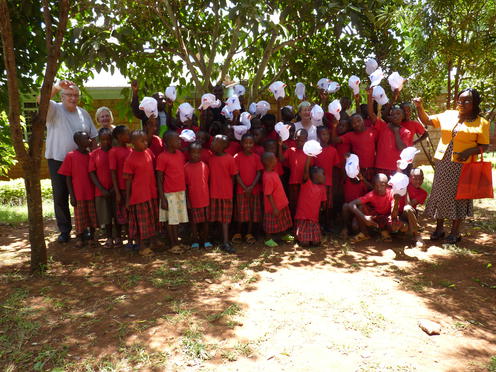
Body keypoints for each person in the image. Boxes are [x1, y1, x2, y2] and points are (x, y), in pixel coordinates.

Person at [414, 88, 490, 244]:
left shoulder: (482, 123)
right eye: (460, 100)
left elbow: (484, 145)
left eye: (467, 100)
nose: (462, 103)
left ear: (475, 103)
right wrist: (419, 106)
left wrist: (469, 151)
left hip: (464, 165)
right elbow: (428, 120)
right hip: (444, 162)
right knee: (441, 194)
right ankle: (439, 228)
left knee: (459, 196)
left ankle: (455, 232)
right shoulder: (449, 114)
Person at [41, 80, 98, 243]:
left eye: (76, 95)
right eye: (69, 95)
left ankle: (84, 228)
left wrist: (93, 156)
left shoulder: (83, 113)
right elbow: (41, 99)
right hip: (57, 159)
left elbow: (93, 136)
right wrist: (58, 86)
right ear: (62, 96)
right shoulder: (54, 109)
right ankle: (65, 230)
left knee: (82, 196)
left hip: (80, 162)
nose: (73, 98)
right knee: (60, 196)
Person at [58, 131, 97, 248]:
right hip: (79, 194)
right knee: (80, 218)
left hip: (91, 193)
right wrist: (72, 195)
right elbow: (68, 178)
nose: (90, 140)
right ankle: (79, 237)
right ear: (78, 142)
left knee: (92, 216)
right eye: (87, 139)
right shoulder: (71, 156)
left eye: (89, 138)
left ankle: (92, 237)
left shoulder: (91, 155)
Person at [123, 130, 159, 256]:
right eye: (142, 141)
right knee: (143, 223)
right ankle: (142, 246)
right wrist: (127, 199)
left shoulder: (148, 152)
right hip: (139, 196)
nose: (145, 143)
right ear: (133, 143)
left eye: (146, 140)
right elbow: (128, 181)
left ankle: (153, 242)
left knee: (152, 219)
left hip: (151, 192)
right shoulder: (130, 159)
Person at [367, 89, 413, 177]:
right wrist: (369, 95)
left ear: (403, 116)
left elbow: (402, 148)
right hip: (380, 167)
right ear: (390, 117)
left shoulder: (406, 132)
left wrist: (396, 132)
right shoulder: (383, 126)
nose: (395, 116)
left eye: (398, 113)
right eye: (393, 114)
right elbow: (371, 114)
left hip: (395, 169)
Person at [156, 131, 188, 254]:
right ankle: (173, 244)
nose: (179, 142)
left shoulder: (180, 154)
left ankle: (177, 242)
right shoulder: (162, 157)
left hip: (180, 191)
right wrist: (162, 197)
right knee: (171, 220)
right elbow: (159, 178)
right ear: (168, 143)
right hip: (169, 193)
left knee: (177, 219)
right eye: (177, 140)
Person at [208, 135, 239, 253]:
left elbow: (233, 176)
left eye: (216, 141)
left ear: (223, 146)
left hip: (226, 193)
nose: (212, 143)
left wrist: (231, 191)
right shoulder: (210, 158)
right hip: (213, 193)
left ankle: (226, 242)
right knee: (213, 217)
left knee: (225, 219)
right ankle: (213, 239)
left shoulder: (230, 159)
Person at [343, 173, 395, 243]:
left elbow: (394, 210)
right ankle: (364, 233)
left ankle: (384, 231)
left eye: (382, 185)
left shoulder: (392, 193)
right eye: (376, 186)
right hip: (376, 218)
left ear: (387, 185)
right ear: (373, 186)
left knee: (393, 225)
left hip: (387, 218)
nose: (379, 188)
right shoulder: (371, 194)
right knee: (361, 207)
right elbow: (351, 204)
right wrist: (364, 217)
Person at [233, 133, 264, 244]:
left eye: (250, 143)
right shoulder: (237, 157)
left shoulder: (256, 157)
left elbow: (259, 173)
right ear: (242, 143)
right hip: (241, 190)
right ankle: (238, 232)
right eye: (246, 142)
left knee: (251, 213)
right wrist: (245, 187)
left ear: (254, 144)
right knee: (241, 213)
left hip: (253, 190)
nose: (248, 145)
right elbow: (236, 174)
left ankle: (249, 233)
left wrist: (251, 187)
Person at [89, 128, 114, 249]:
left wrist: (114, 188)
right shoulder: (94, 154)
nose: (106, 142)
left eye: (108, 139)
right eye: (103, 139)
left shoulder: (114, 152)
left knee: (117, 214)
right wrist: (102, 189)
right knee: (106, 216)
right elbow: (92, 173)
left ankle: (119, 236)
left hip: (115, 190)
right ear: (99, 140)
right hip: (101, 191)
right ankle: (109, 237)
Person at [332, 113, 377, 182]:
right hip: (358, 171)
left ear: (363, 120)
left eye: (359, 121)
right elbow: (334, 140)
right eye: (354, 123)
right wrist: (334, 126)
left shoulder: (372, 131)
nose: (357, 124)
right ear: (351, 126)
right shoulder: (350, 135)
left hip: (373, 169)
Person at [262, 152, 293, 247]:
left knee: (282, 221)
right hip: (273, 207)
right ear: (268, 162)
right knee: (270, 224)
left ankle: (283, 235)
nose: (276, 160)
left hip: (281, 204)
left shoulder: (273, 172)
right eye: (274, 158)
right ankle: (268, 239)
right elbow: (268, 194)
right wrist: (274, 208)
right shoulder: (267, 177)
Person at [294, 157, 327, 247]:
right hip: (303, 218)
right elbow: (306, 171)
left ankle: (307, 237)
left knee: (316, 243)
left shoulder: (323, 188)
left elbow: (323, 203)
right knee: (305, 244)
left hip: (314, 219)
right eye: (323, 174)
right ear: (315, 175)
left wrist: (322, 209)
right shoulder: (307, 183)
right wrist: (309, 156)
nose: (325, 176)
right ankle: (299, 236)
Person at [184, 142, 211, 249]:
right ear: (189, 154)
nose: (196, 155)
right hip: (193, 200)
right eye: (193, 153)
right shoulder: (185, 167)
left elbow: (207, 182)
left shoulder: (205, 166)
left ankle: (205, 240)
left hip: (205, 200)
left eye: (198, 153)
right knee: (194, 223)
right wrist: (187, 201)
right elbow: (185, 186)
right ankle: (195, 240)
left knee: (205, 222)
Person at [109, 125, 132, 248]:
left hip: (131, 188)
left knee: (131, 215)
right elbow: (113, 172)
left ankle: (132, 238)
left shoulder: (130, 150)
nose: (130, 135)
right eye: (127, 133)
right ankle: (127, 240)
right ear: (119, 136)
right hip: (121, 189)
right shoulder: (114, 152)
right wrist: (117, 192)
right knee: (123, 215)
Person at [284, 128, 313, 216]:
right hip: (293, 181)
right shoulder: (290, 150)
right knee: (293, 202)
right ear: (295, 139)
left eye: (302, 141)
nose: (300, 143)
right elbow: (282, 160)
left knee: (303, 202)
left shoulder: (309, 153)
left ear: (306, 140)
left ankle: (301, 220)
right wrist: (279, 145)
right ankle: (293, 221)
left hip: (304, 182)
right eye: (298, 140)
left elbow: (310, 168)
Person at [315, 126, 339, 230]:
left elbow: (335, 168)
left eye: (327, 134)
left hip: (328, 182)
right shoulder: (315, 151)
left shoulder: (333, 150)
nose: (326, 137)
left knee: (328, 205)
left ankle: (327, 224)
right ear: (318, 136)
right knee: (318, 205)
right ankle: (318, 224)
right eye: (323, 134)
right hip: (317, 184)